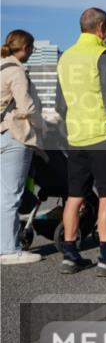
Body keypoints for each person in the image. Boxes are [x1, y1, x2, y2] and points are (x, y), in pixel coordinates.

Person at [55, 8, 106, 276]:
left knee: (74, 197)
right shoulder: (102, 54)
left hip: (76, 136)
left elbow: (59, 104)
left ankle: (70, 255)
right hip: (103, 135)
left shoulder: (66, 57)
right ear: (101, 27)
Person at [1, 30, 45, 265]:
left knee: (2, 195)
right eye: (32, 49)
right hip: (14, 136)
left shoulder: (1, 67)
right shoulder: (17, 71)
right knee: (11, 195)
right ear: (26, 48)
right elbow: (27, 107)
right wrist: (43, 126)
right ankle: (9, 249)